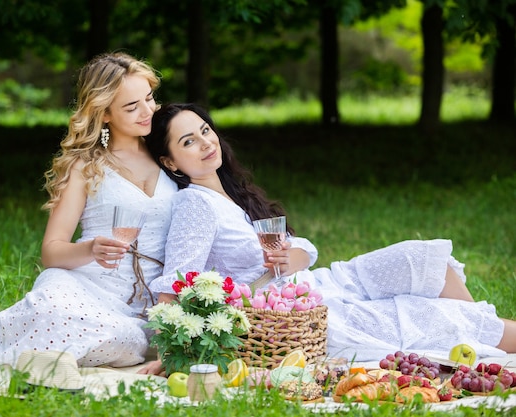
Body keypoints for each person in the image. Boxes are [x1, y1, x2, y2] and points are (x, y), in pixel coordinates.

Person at [140, 103, 516, 373]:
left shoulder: (234, 193)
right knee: (427, 315)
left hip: (325, 280)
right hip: (304, 310)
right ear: (170, 162)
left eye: (205, 130)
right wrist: (167, 351)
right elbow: (178, 282)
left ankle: (487, 334)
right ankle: (489, 341)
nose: (206, 143)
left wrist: (295, 256)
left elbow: (299, 245)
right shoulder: (194, 203)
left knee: (420, 258)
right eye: (188, 141)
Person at [0, 53, 178, 368]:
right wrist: (90, 249)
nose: (148, 112)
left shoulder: (168, 153)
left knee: (127, 342)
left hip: (147, 306)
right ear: (104, 114)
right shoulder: (86, 166)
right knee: (66, 313)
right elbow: (52, 252)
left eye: (149, 98)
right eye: (132, 107)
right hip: (84, 288)